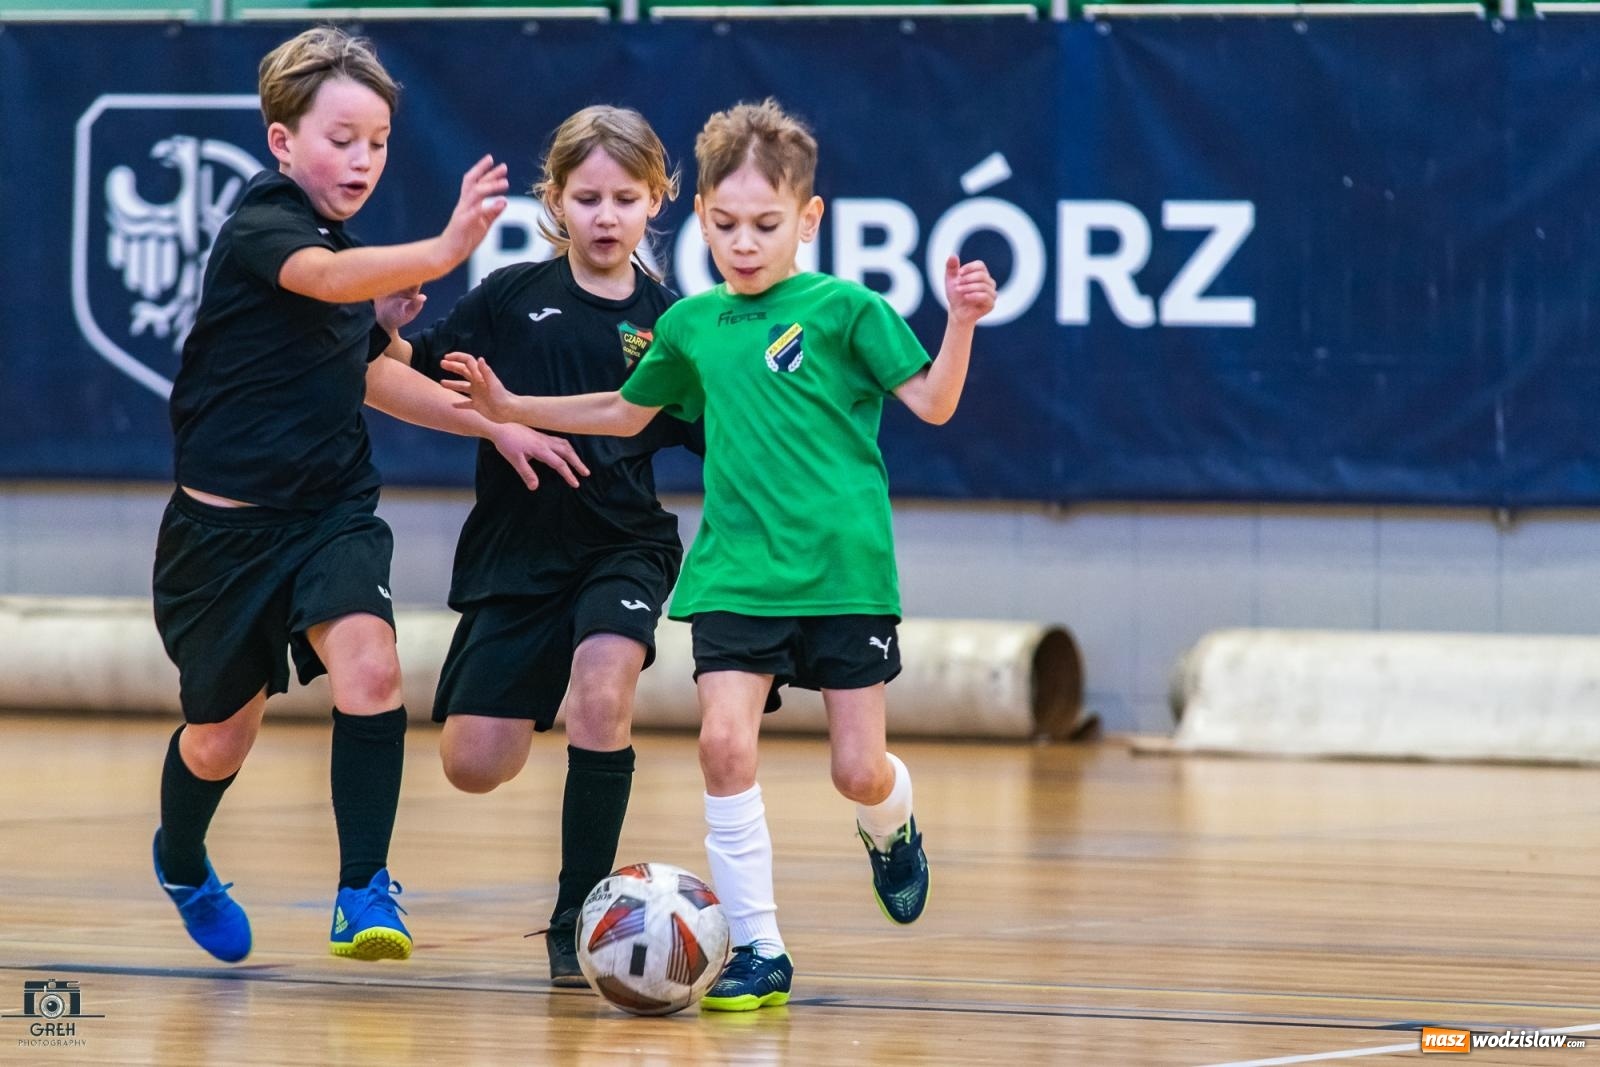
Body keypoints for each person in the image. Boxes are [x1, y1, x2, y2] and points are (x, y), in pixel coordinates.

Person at [440, 98, 997, 1010]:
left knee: (857, 768)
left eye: (767, 225)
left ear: (808, 221)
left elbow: (934, 402)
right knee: (723, 744)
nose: (745, 243)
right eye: (727, 223)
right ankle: (762, 949)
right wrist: (511, 409)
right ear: (699, 215)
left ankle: (891, 824)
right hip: (734, 571)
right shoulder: (689, 324)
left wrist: (962, 322)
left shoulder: (847, 309)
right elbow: (625, 412)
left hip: (844, 573)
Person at [150, 26, 583, 966]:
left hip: (330, 515)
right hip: (219, 542)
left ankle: (363, 887)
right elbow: (326, 279)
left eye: (379, 141)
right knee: (219, 740)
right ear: (282, 141)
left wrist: (496, 425)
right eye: (341, 137)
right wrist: (443, 247)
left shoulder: (350, 264)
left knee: (373, 668)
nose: (363, 158)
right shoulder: (267, 225)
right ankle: (181, 857)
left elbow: (381, 375)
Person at [385, 105, 698, 986]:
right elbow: (417, 369)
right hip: (517, 551)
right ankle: (528, 690)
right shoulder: (510, 298)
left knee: (604, 691)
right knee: (474, 763)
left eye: (625, 198)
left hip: (623, 546)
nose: (605, 215)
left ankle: (579, 915)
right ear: (555, 199)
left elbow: (728, 431)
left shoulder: (672, 324)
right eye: (588, 196)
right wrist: (385, 327)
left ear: (655, 202)